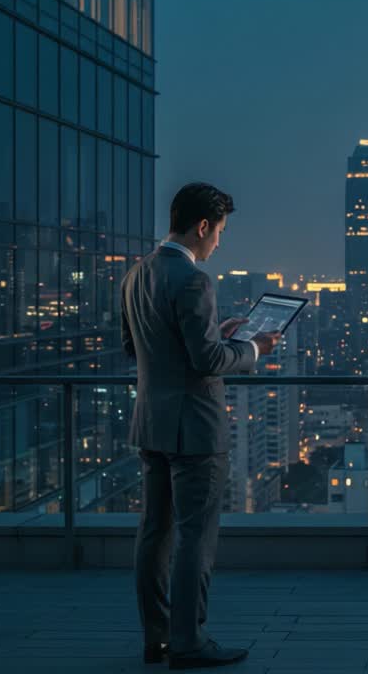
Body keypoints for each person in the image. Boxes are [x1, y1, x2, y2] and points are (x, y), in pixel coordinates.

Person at [121, 182, 280, 669]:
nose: (219, 245)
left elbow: (138, 349)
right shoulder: (194, 282)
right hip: (195, 430)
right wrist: (255, 349)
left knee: (155, 533)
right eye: (219, 233)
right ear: (203, 226)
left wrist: (217, 331)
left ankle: (158, 637)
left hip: (151, 423)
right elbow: (207, 360)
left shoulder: (135, 275)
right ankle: (189, 643)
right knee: (195, 538)